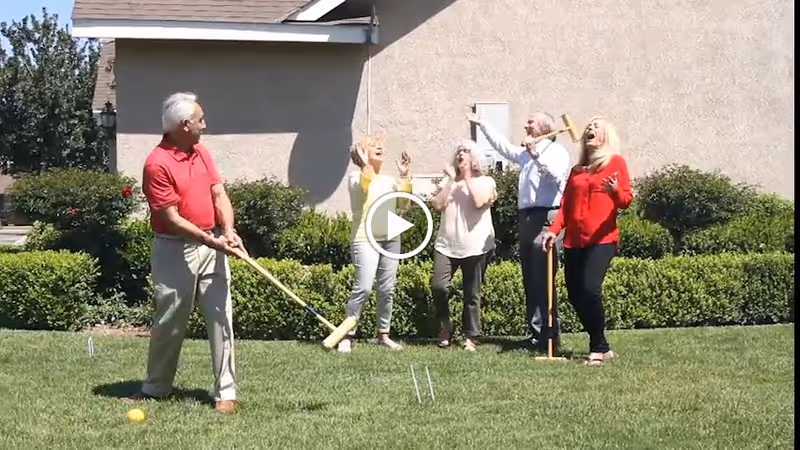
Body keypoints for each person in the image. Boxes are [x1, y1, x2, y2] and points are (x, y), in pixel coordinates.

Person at [124, 92, 244, 414]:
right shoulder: (156, 163)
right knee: (170, 321)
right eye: (200, 120)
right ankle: (156, 387)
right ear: (184, 124)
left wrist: (228, 232)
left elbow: (219, 194)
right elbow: (171, 219)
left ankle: (226, 391)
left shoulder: (202, 153)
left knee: (221, 318)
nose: (205, 125)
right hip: (175, 249)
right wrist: (210, 241)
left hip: (213, 243)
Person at [467, 111, 571, 353]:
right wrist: (483, 124)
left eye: (531, 121)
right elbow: (504, 148)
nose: (525, 124)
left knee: (544, 278)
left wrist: (535, 156)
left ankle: (551, 336)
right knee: (530, 279)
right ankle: (536, 335)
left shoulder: (556, 152)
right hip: (526, 220)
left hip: (546, 218)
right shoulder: (525, 153)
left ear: (543, 127)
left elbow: (556, 178)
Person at [541, 116, 633, 366]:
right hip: (574, 240)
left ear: (606, 136)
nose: (590, 129)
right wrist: (553, 230)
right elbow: (566, 207)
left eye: (596, 127)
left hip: (602, 239)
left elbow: (626, 200)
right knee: (575, 294)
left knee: (590, 288)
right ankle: (601, 343)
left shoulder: (615, 163)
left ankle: (597, 347)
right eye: (589, 127)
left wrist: (615, 190)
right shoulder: (577, 170)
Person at [338, 133, 413, 354]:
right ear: (362, 153)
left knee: (387, 288)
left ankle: (383, 334)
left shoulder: (390, 181)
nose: (380, 148)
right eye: (373, 146)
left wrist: (405, 177)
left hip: (391, 239)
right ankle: (347, 334)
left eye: (381, 146)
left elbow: (404, 205)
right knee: (363, 287)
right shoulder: (355, 177)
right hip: (365, 238)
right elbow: (363, 188)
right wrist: (363, 164)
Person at [430, 139, 498, 352]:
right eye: (458, 150)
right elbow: (438, 205)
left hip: (476, 246)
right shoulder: (448, 182)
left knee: (472, 293)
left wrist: (467, 178)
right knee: (438, 286)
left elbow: (479, 202)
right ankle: (446, 325)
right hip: (446, 245)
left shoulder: (486, 181)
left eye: (466, 151)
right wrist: (451, 180)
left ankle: (471, 336)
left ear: (474, 157)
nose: (461, 154)